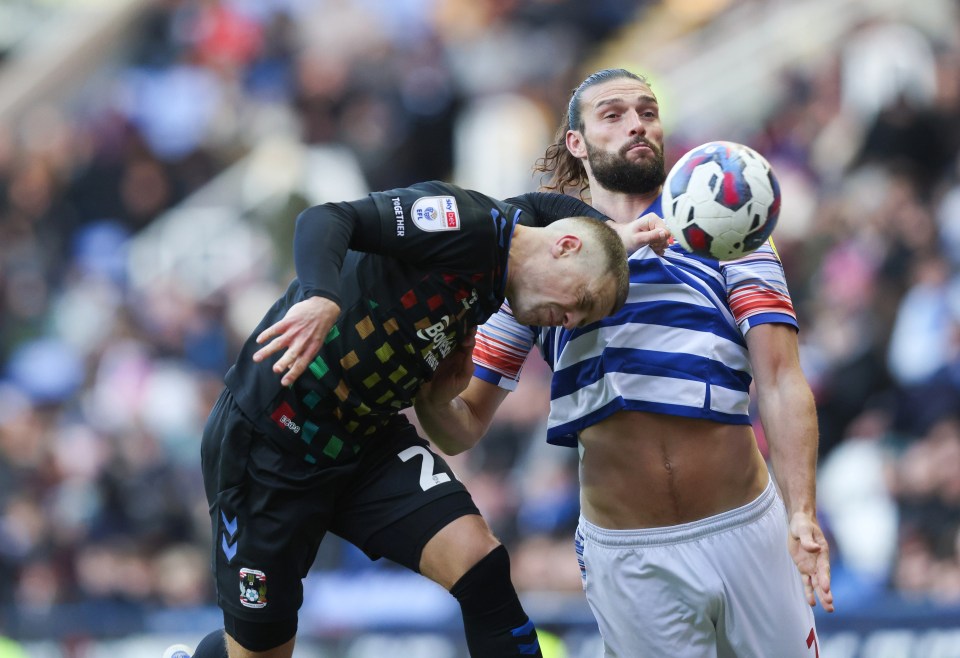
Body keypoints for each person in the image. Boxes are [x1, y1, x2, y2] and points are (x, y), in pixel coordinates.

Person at [415, 69, 835, 657]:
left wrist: (802, 513)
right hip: (630, 556)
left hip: (747, 529)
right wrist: (428, 389)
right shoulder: (539, 257)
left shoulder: (726, 226)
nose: (636, 123)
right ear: (577, 143)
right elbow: (461, 428)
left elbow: (782, 379)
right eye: (612, 114)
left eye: (647, 110)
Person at [191, 179, 635, 658]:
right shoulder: (465, 224)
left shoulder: (513, 256)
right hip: (272, 441)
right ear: (564, 247)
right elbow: (325, 218)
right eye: (582, 303)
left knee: (480, 564)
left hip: (366, 440)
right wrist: (321, 294)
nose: (569, 320)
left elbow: (540, 204)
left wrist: (616, 234)